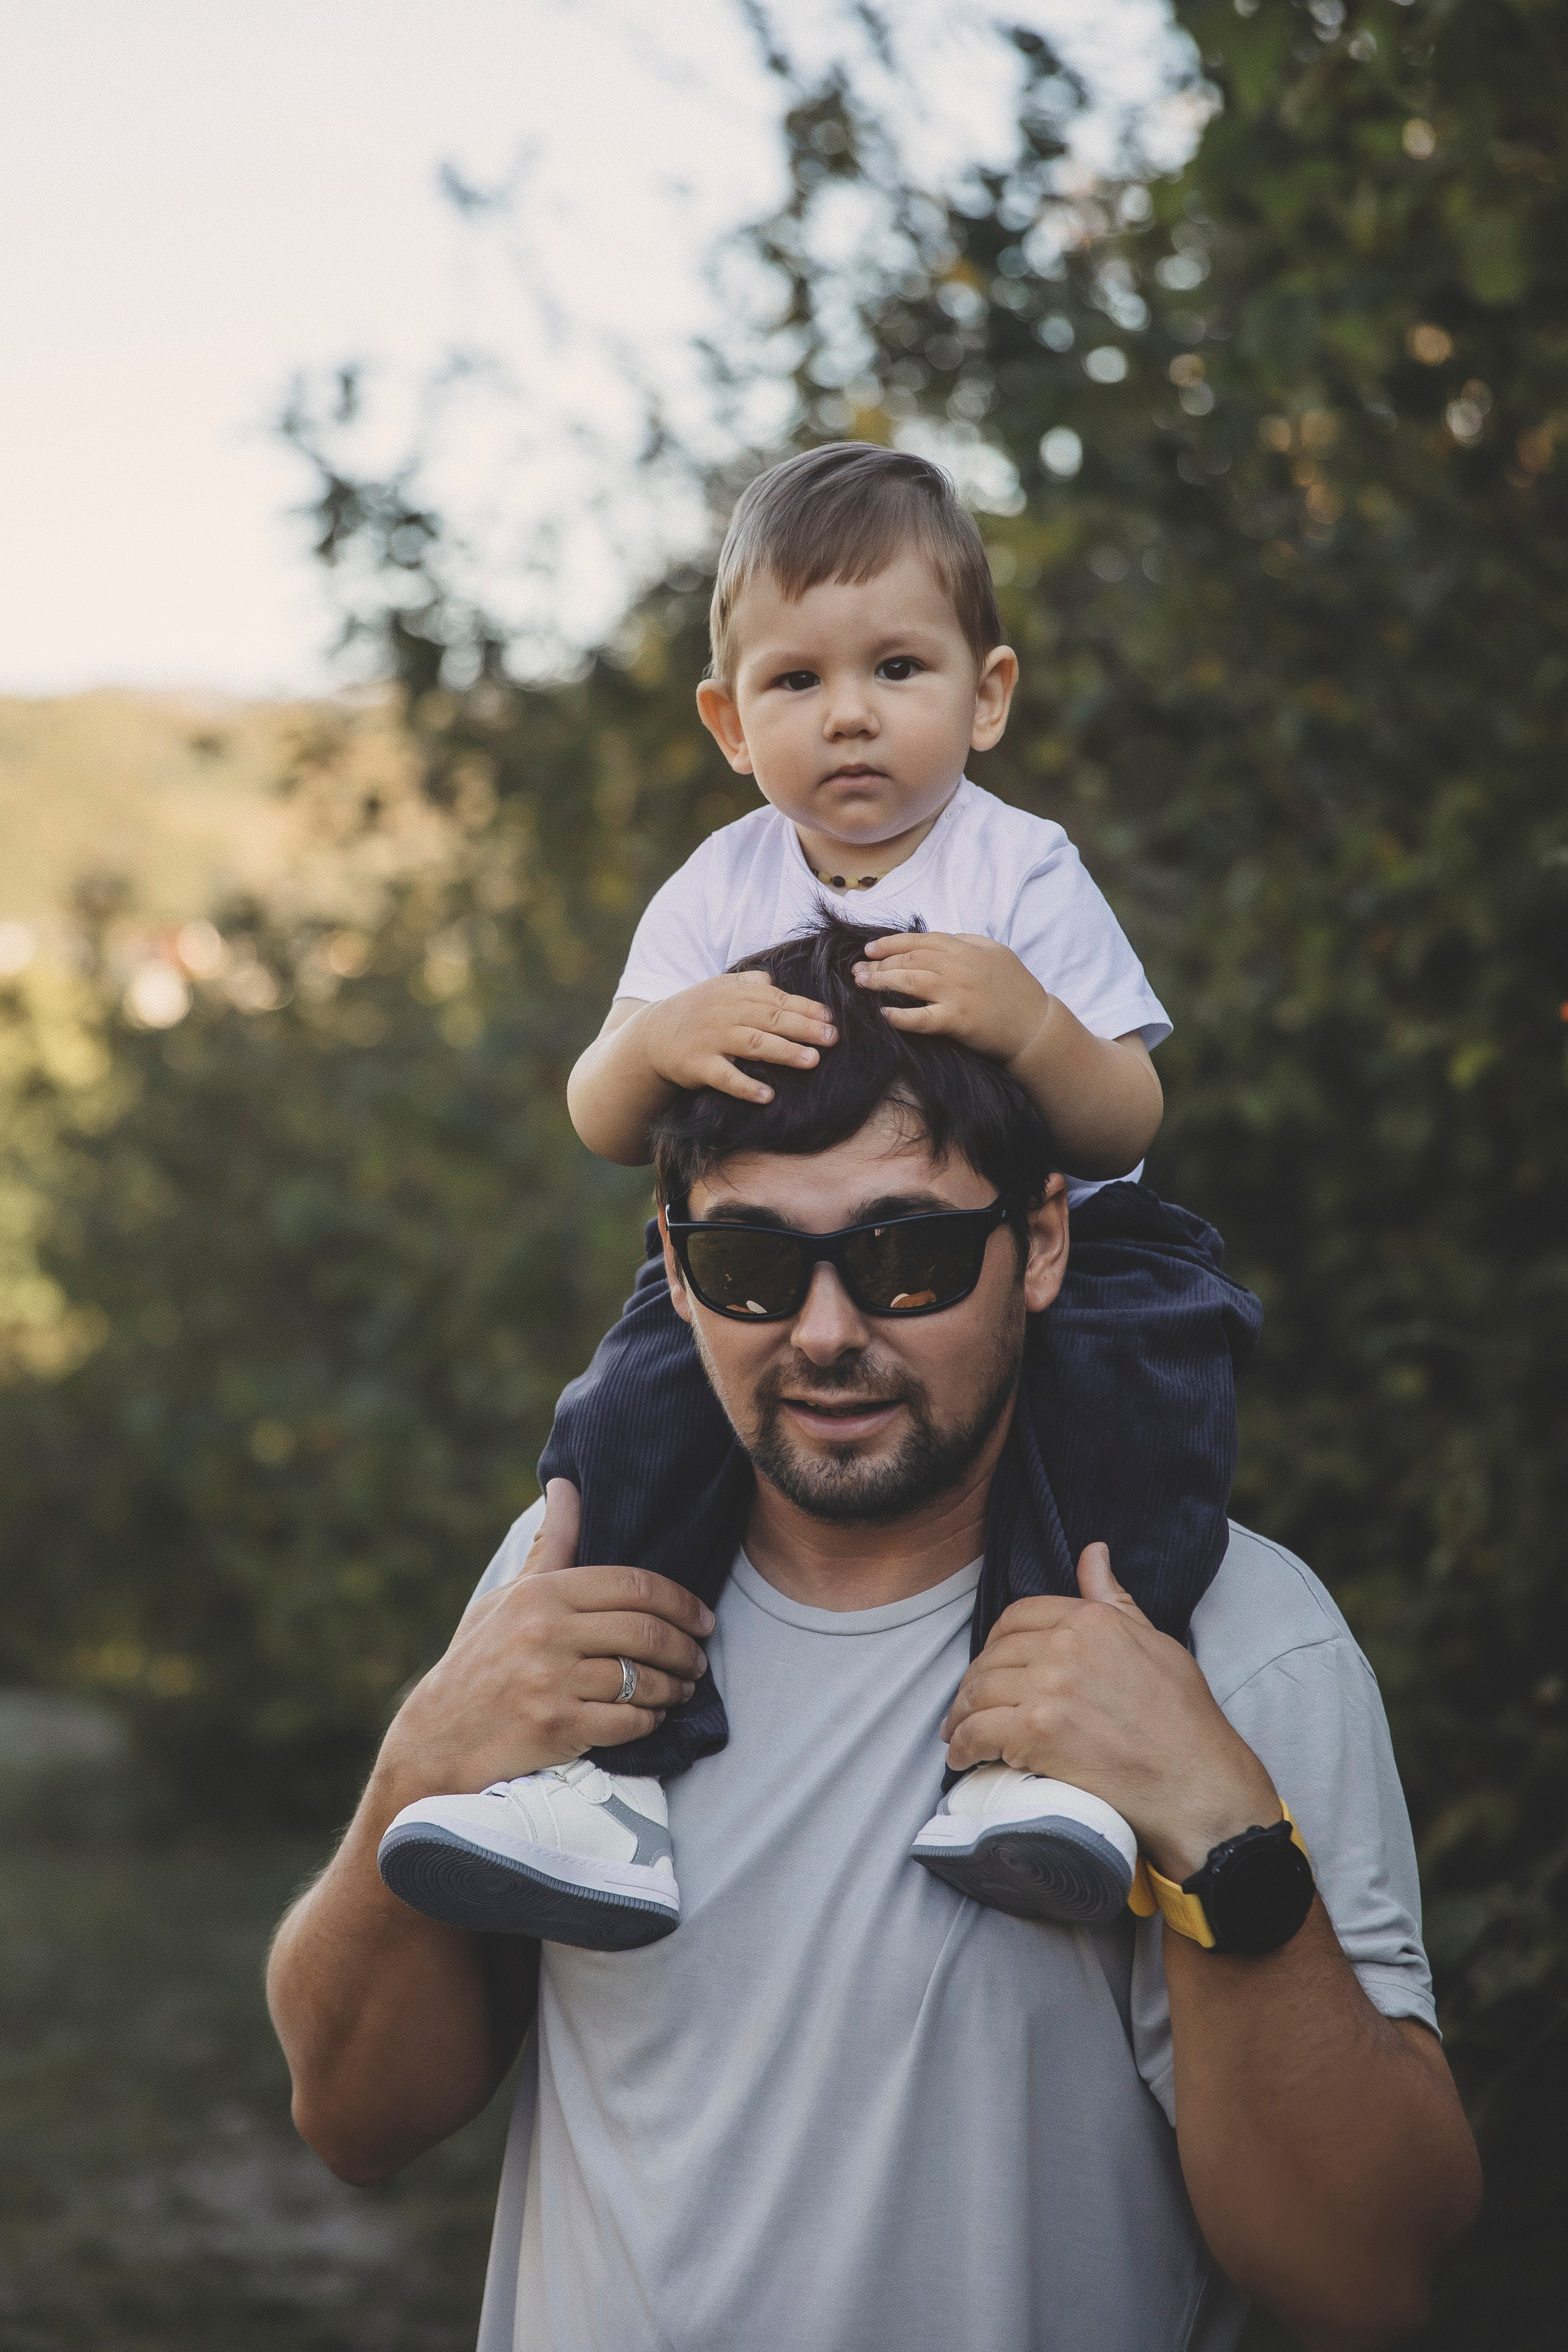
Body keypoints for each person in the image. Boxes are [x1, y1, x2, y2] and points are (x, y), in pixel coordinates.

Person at [267, 940, 1480, 2351]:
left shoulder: (1234, 1640)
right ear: (671, 1261)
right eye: (747, 1263)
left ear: (1038, 1244)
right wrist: (413, 1769)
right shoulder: (566, 1589)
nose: (825, 1333)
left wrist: (1223, 1833)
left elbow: (1364, 2284)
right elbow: (356, 2121)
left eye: (904, 1257)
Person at [375, 442, 1261, 1945]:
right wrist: (657, 1038)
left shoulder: (1020, 874)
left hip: (1057, 1236)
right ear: (730, 721)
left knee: (1146, 1393)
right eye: (795, 682)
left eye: (897, 667)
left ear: (984, 697)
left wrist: (1031, 1024)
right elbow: (601, 1115)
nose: (847, 714)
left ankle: (1037, 1747)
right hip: (755, 1255)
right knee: (626, 1417)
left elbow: (1126, 1117)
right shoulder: (718, 891)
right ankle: (602, 1780)